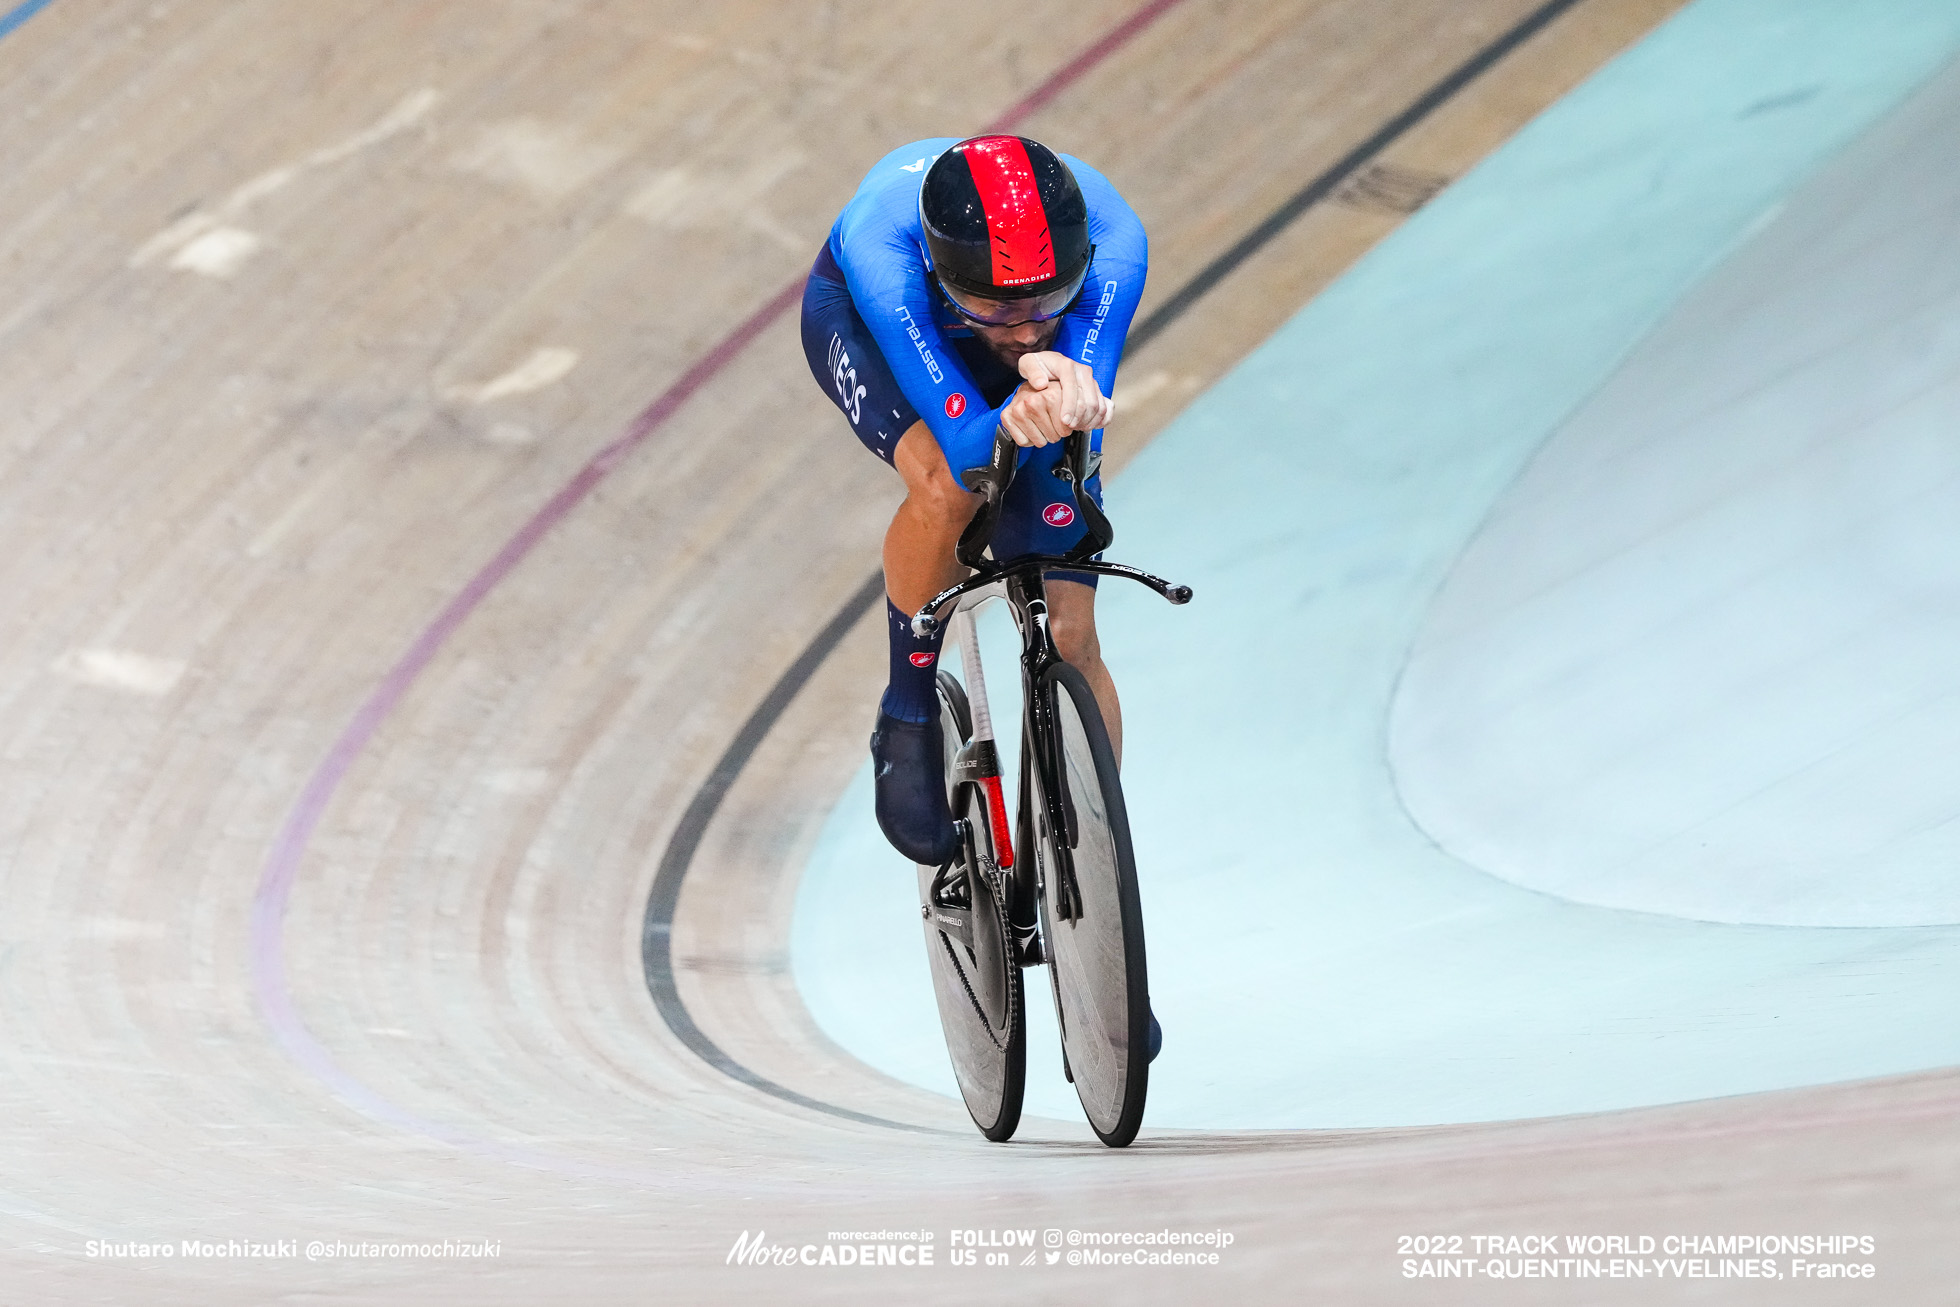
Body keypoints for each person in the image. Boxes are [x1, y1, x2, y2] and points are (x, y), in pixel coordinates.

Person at [800, 134, 1146, 867]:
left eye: (1048, 301)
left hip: (1009, 334)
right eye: (995, 305)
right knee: (949, 484)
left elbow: (1078, 397)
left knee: (1072, 630)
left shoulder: (1115, 240)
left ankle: (1095, 860)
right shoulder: (884, 258)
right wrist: (1021, 392)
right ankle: (907, 708)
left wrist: (1061, 382)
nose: (1025, 328)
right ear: (938, 270)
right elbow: (967, 447)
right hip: (882, 334)